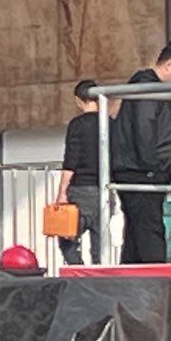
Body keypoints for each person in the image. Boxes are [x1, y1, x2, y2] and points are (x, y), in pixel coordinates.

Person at [109, 40, 171, 264]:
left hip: (137, 170)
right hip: (142, 172)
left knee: (137, 232)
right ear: (169, 65)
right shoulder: (147, 89)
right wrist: (153, 167)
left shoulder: (147, 89)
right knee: (149, 230)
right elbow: (144, 129)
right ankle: (155, 275)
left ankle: (133, 274)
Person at [53, 79, 107, 265]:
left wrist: (62, 192)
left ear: (78, 100)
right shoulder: (111, 123)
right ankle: (98, 276)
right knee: (100, 246)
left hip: (81, 190)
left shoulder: (77, 125)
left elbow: (71, 160)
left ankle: (78, 271)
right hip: (105, 189)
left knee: (66, 237)